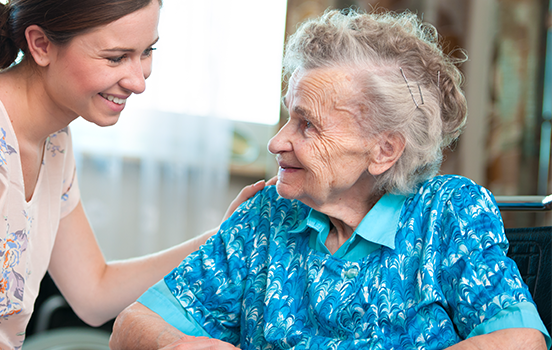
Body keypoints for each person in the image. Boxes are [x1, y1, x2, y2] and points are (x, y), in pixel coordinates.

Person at [0, 0, 267, 349]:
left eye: (147, 51)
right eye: (116, 58)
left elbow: (94, 292)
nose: (139, 80)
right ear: (40, 45)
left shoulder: (51, 137)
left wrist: (225, 235)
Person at [109, 8, 552, 350]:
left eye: (308, 125)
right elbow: (132, 326)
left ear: (384, 150)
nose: (277, 143)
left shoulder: (447, 211)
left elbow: (518, 339)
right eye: (288, 117)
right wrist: (182, 344)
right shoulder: (268, 214)